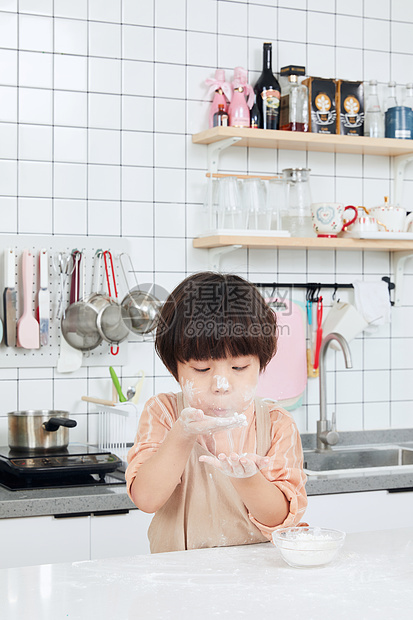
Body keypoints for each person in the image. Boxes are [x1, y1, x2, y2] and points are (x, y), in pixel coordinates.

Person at [126, 272, 307, 553]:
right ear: (175, 370)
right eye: (201, 370)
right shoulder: (163, 412)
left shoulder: (275, 423)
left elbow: (281, 519)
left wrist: (247, 478)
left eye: (238, 368)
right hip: (178, 580)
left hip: (255, 578)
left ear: (261, 363)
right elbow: (146, 499)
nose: (220, 385)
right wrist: (182, 435)